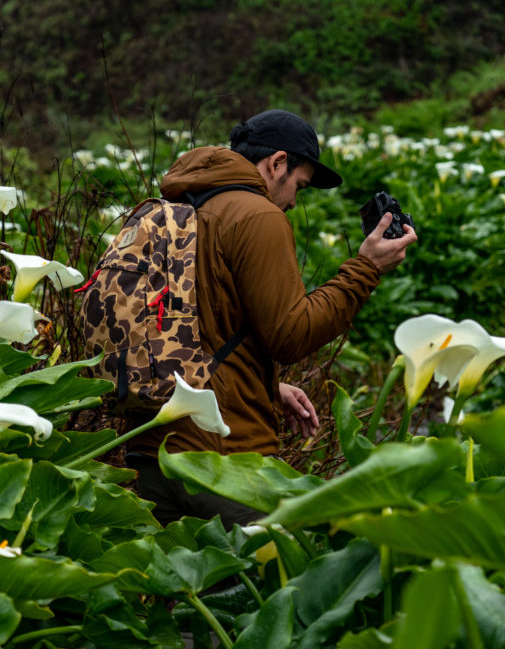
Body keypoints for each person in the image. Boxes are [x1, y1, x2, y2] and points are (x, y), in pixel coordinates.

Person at [125, 109, 418, 525]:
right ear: (277, 162)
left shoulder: (169, 210)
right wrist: (364, 269)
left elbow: (193, 328)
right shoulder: (257, 214)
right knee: (286, 580)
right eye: (298, 184)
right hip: (222, 463)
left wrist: (264, 383)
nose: (295, 201)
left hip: (151, 457)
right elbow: (290, 337)